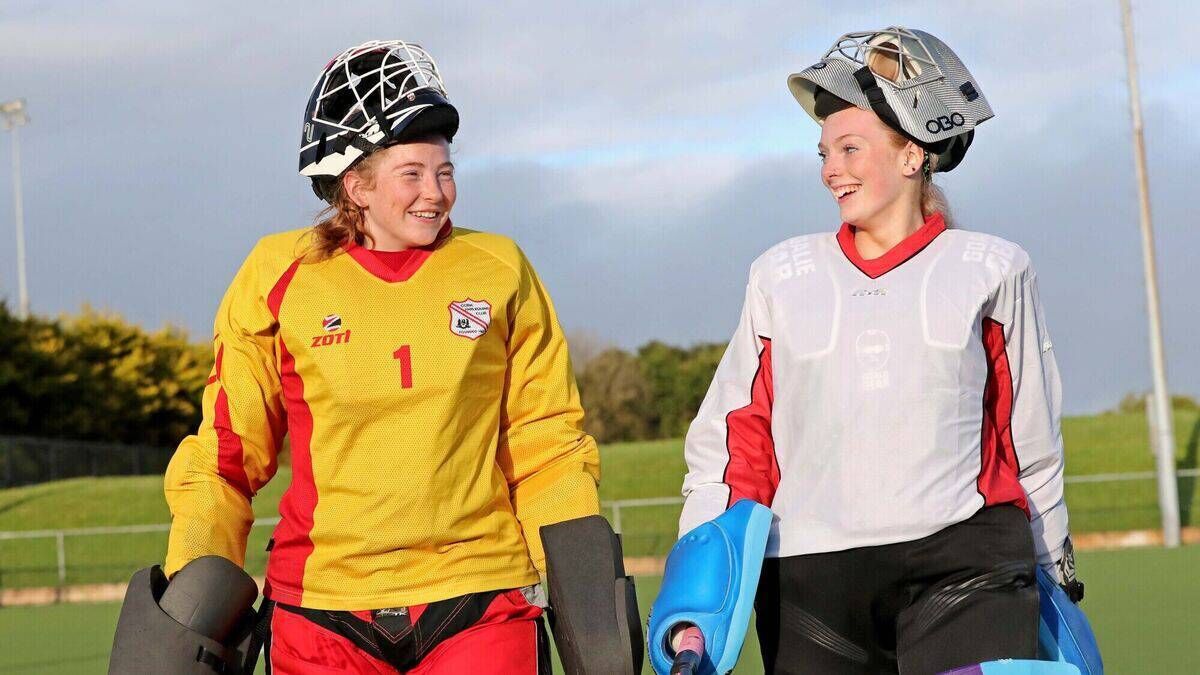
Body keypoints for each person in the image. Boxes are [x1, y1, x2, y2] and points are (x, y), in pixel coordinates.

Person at [163, 40, 599, 674]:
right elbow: (228, 455)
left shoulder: (501, 268)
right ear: (355, 183)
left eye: (445, 170)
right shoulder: (277, 274)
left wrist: (583, 589)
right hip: (321, 609)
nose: (437, 192)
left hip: (480, 598)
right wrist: (190, 589)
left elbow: (547, 443)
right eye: (413, 173)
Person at [677, 27, 1082, 674]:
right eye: (824, 152)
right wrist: (696, 585)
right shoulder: (780, 275)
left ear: (913, 154)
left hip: (969, 562)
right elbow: (737, 435)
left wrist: (1053, 558)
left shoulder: (994, 267)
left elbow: (1026, 431)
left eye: (849, 148)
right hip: (811, 578)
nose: (830, 169)